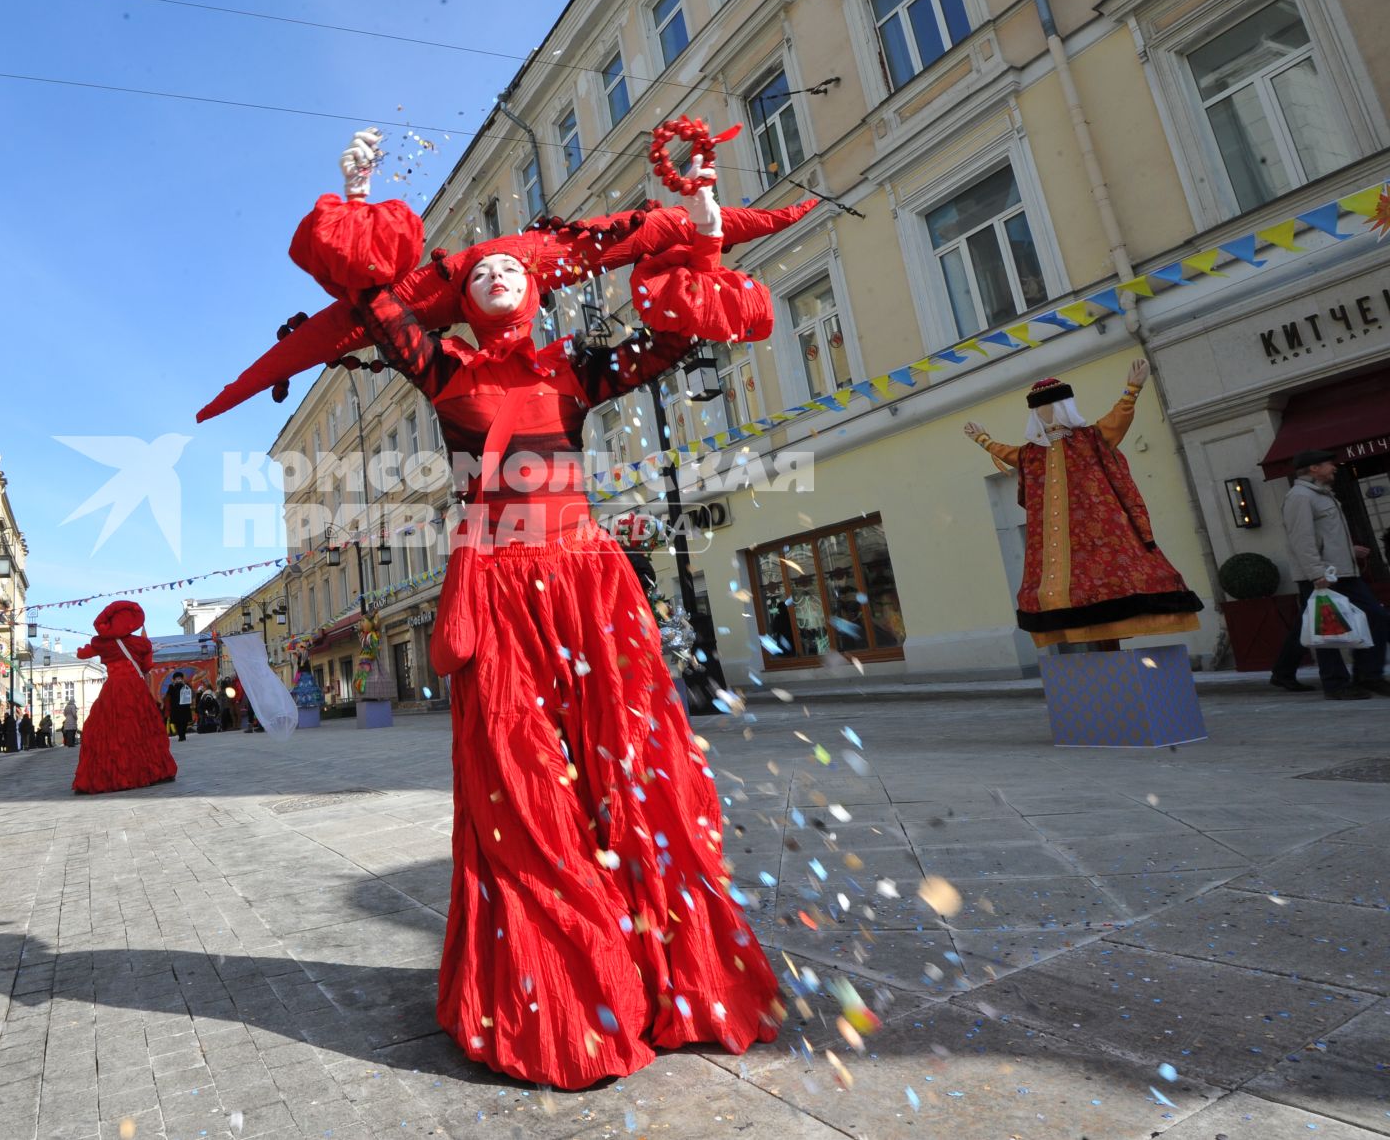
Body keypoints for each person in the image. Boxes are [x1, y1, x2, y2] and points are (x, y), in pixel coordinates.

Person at [198, 127, 815, 1089]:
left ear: (534, 291)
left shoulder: (572, 371)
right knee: (520, 788)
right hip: (493, 584)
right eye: (476, 270)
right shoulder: (446, 375)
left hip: (584, 579)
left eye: (507, 269)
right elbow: (379, 307)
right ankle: (561, 990)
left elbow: (679, 336)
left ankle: (671, 973)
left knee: (631, 765)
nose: (491, 273)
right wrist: (355, 195)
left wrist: (699, 225)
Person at [963, 363, 1204, 649]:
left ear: (1065, 405)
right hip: (1054, 539)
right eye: (1040, 408)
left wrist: (1132, 390)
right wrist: (983, 439)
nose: (1046, 412)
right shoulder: (1032, 453)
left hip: (1099, 531)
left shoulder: (1091, 438)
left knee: (1112, 577)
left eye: (1051, 405)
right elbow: (1009, 454)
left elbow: (1117, 420)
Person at [1282, 449, 1389, 700]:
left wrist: (1349, 551)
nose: (1334, 467)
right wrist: (1316, 572)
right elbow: (1302, 539)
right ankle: (1336, 684)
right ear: (1313, 469)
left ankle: (1369, 676)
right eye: (1329, 463)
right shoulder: (1299, 497)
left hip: (1343, 570)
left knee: (1376, 616)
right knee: (1326, 631)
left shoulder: (1323, 494)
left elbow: (1324, 536)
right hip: (1323, 575)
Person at [71, 601, 177, 793]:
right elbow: (146, 667)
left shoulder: (101, 643)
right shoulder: (141, 643)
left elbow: (82, 655)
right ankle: (155, 771)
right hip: (136, 690)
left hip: (113, 690)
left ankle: (110, 776)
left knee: (109, 729)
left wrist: (82, 651)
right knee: (143, 728)